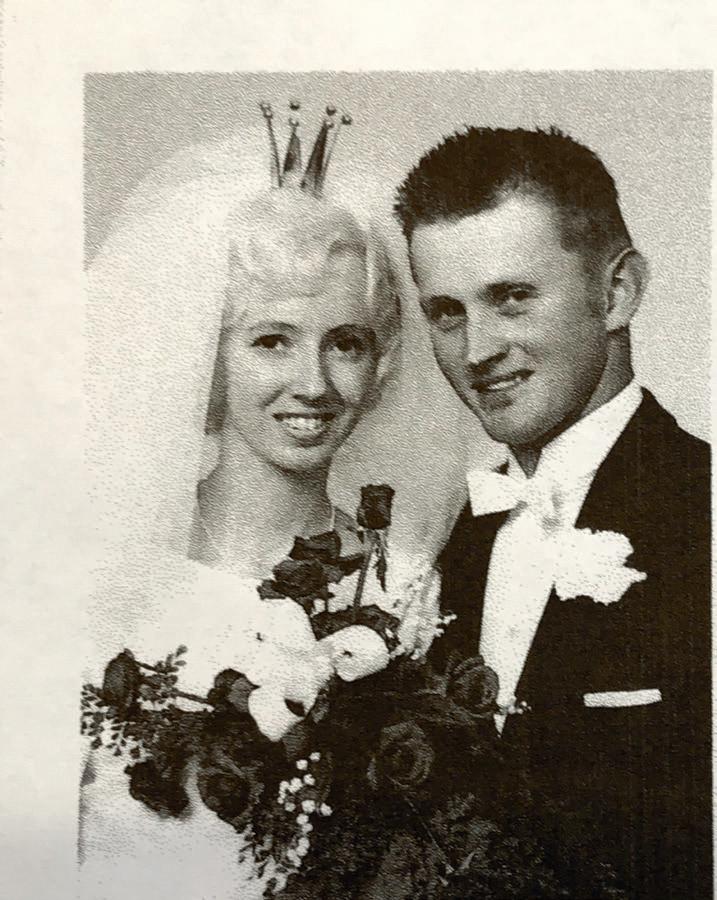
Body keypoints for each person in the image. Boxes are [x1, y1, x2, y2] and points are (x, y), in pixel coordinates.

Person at [80, 106, 443, 900]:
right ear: (208, 356)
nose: (313, 384)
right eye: (271, 339)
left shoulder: (406, 583)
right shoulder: (112, 566)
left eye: (344, 342)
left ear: (379, 360)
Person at [394, 126, 711, 898]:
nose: (476, 350)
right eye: (446, 312)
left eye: (511, 298)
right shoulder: (443, 547)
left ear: (616, 292)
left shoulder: (701, 510)